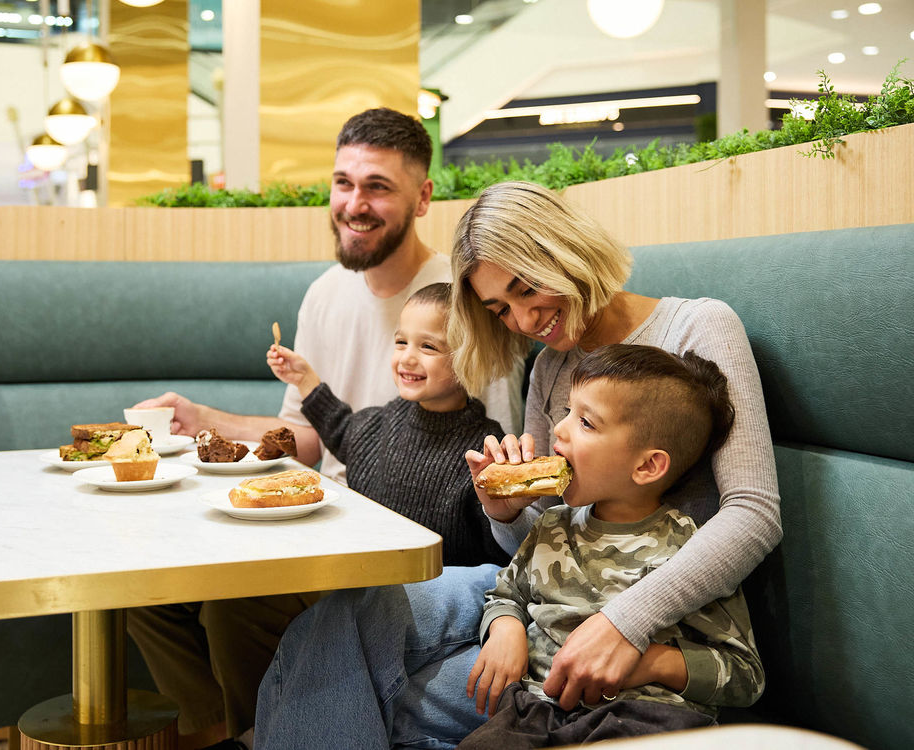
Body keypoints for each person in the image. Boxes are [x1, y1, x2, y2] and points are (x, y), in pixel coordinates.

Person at [253, 181, 781, 750]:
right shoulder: (550, 368)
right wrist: (504, 514)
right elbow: (543, 538)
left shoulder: (698, 327)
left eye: (527, 288)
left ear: (566, 250)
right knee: (336, 618)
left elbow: (754, 513)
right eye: (500, 308)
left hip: (643, 598)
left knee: (372, 700)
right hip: (539, 586)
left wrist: (625, 622)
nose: (525, 321)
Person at [126, 109, 523, 750]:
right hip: (323, 523)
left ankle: (269, 732)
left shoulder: (466, 299)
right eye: (343, 183)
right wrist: (204, 420)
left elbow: (493, 456)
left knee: (234, 598)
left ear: (422, 198)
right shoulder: (325, 293)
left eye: (377, 187)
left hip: (397, 556)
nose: (354, 204)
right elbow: (304, 439)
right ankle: (218, 734)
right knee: (146, 583)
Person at [458, 344, 763, 749]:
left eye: (586, 422)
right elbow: (506, 593)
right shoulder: (551, 525)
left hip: (647, 717)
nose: (559, 430)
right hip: (536, 709)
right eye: (566, 410)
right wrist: (505, 626)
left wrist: (655, 661)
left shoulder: (688, 549)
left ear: (646, 466)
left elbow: (745, 675)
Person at [267, 282, 507, 567]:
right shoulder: (385, 421)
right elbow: (341, 430)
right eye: (401, 342)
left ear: (469, 357)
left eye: (428, 346)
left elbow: (500, 554)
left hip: (431, 592)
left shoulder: (486, 450)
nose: (406, 357)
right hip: (357, 574)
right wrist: (305, 379)